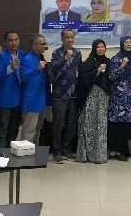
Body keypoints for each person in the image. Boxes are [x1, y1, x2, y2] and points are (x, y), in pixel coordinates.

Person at [76, 39, 110, 164]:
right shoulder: (89, 61)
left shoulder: (108, 61)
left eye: (102, 47)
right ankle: (85, 154)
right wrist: (98, 70)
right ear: (94, 48)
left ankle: (99, 155)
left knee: (101, 125)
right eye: (98, 47)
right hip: (91, 95)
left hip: (103, 96)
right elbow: (83, 79)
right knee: (88, 123)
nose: (101, 49)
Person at [50, 29, 82, 163]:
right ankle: (56, 152)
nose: (70, 40)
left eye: (72, 37)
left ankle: (67, 149)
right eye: (67, 37)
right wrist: (64, 58)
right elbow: (53, 69)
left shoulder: (77, 53)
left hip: (73, 94)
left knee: (71, 124)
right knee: (58, 124)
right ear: (62, 39)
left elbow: (79, 71)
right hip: (60, 94)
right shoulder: (56, 53)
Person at [108, 36, 131, 161]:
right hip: (119, 97)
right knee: (120, 123)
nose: (128, 44)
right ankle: (119, 151)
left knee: (130, 123)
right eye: (126, 42)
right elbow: (112, 76)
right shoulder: (117, 58)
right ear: (122, 44)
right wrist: (122, 65)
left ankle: (129, 150)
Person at [0, 31, 24, 148]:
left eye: (16, 39)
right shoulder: (1, 55)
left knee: (14, 130)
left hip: (18, 98)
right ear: (5, 42)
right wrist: (10, 67)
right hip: (4, 98)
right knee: (2, 131)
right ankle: (1, 155)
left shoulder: (21, 54)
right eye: (11, 40)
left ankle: (10, 153)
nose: (14, 42)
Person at [20, 34, 48, 144]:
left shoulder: (41, 58)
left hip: (41, 98)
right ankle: (25, 151)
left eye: (45, 44)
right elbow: (23, 77)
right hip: (31, 99)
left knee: (38, 129)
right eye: (42, 44)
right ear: (34, 46)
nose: (44, 46)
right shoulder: (27, 59)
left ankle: (34, 151)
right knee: (29, 129)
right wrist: (36, 68)